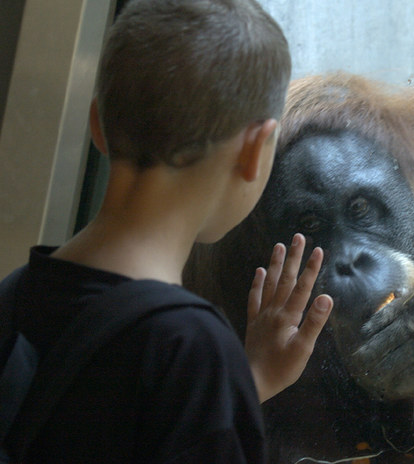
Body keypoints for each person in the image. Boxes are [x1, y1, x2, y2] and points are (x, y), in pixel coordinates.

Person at [0, 0, 333, 462]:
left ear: (98, 123)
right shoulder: (189, 349)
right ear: (256, 150)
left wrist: (245, 383)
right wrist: (228, 382)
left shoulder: (15, 294)